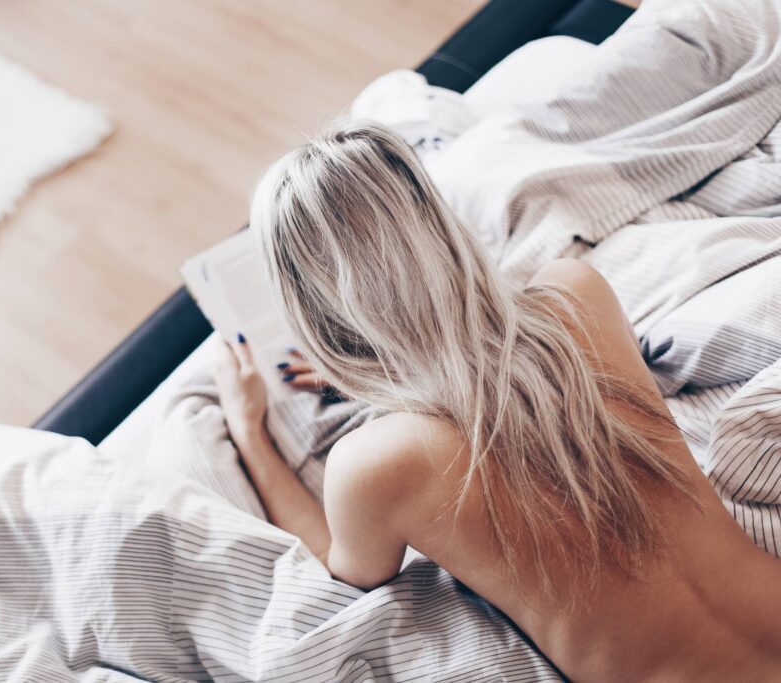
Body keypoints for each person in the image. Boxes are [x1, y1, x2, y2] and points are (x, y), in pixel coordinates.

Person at [212, 120, 781, 681]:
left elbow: (339, 576)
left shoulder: (373, 465)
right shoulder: (577, 293)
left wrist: (249, 433)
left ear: (313, 315)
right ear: (440, 226)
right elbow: (487, 346)